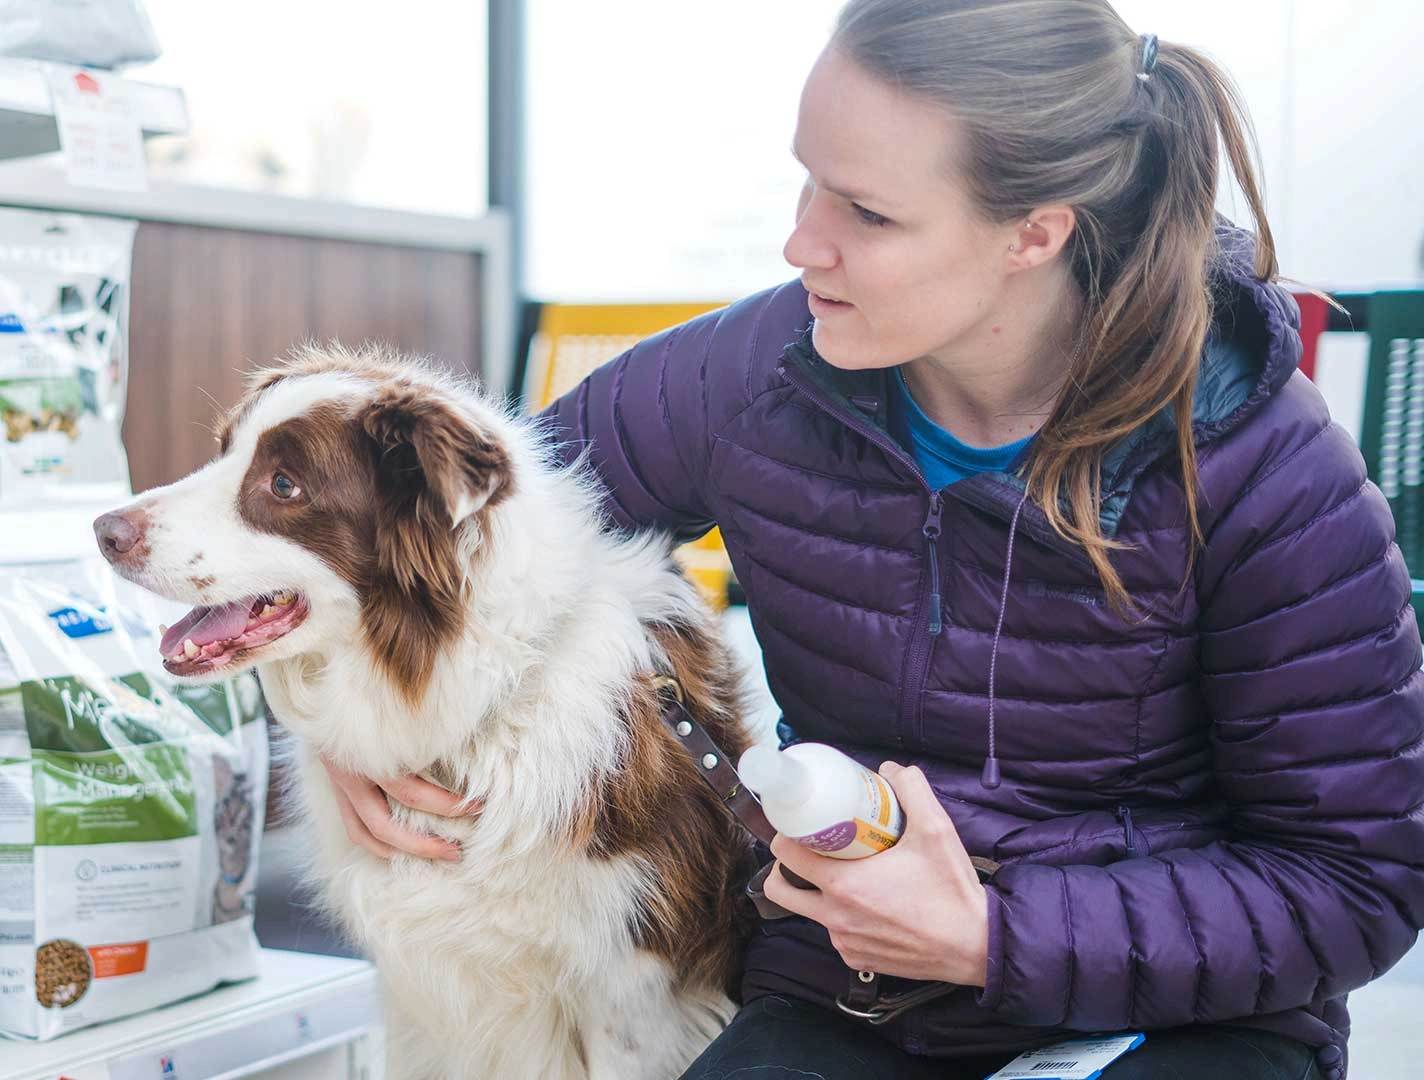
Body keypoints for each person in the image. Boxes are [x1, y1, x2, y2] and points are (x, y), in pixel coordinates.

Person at [317, 0, 1424, 1076]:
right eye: (808, 180)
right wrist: (358, 727)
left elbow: (1358, 882)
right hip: (852, 1000)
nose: (803, 242)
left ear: (1034, 235)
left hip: (1183, 1022)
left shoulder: (1267, 473)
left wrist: (994, 937)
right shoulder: (754, 372)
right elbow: (474, 542)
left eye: (869, 214)